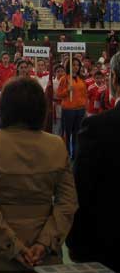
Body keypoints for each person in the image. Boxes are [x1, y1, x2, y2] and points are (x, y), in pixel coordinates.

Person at [0, 77, 78, 273]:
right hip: (44, 252)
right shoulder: (56, 145)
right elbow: (68, 202)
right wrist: (44, 243)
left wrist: (13, 246)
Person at [66, 52, 120, 272]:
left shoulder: (98, 128)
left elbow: (81, 191)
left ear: (114, 78)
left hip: (109, 249)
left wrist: (77, 245)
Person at [57, 57, 87, 157]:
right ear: (69, 66)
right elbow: (59, 94)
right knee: (66, 133)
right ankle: (65, 154)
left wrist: (85, 108)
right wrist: (67, 90)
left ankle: (75, 154)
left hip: (80, 110)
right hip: (68, 110)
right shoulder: (64, 79)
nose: (76, 67)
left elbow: (84, 95)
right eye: (73, 65)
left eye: (77, 65)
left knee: (77, 133)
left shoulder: (81, 79)